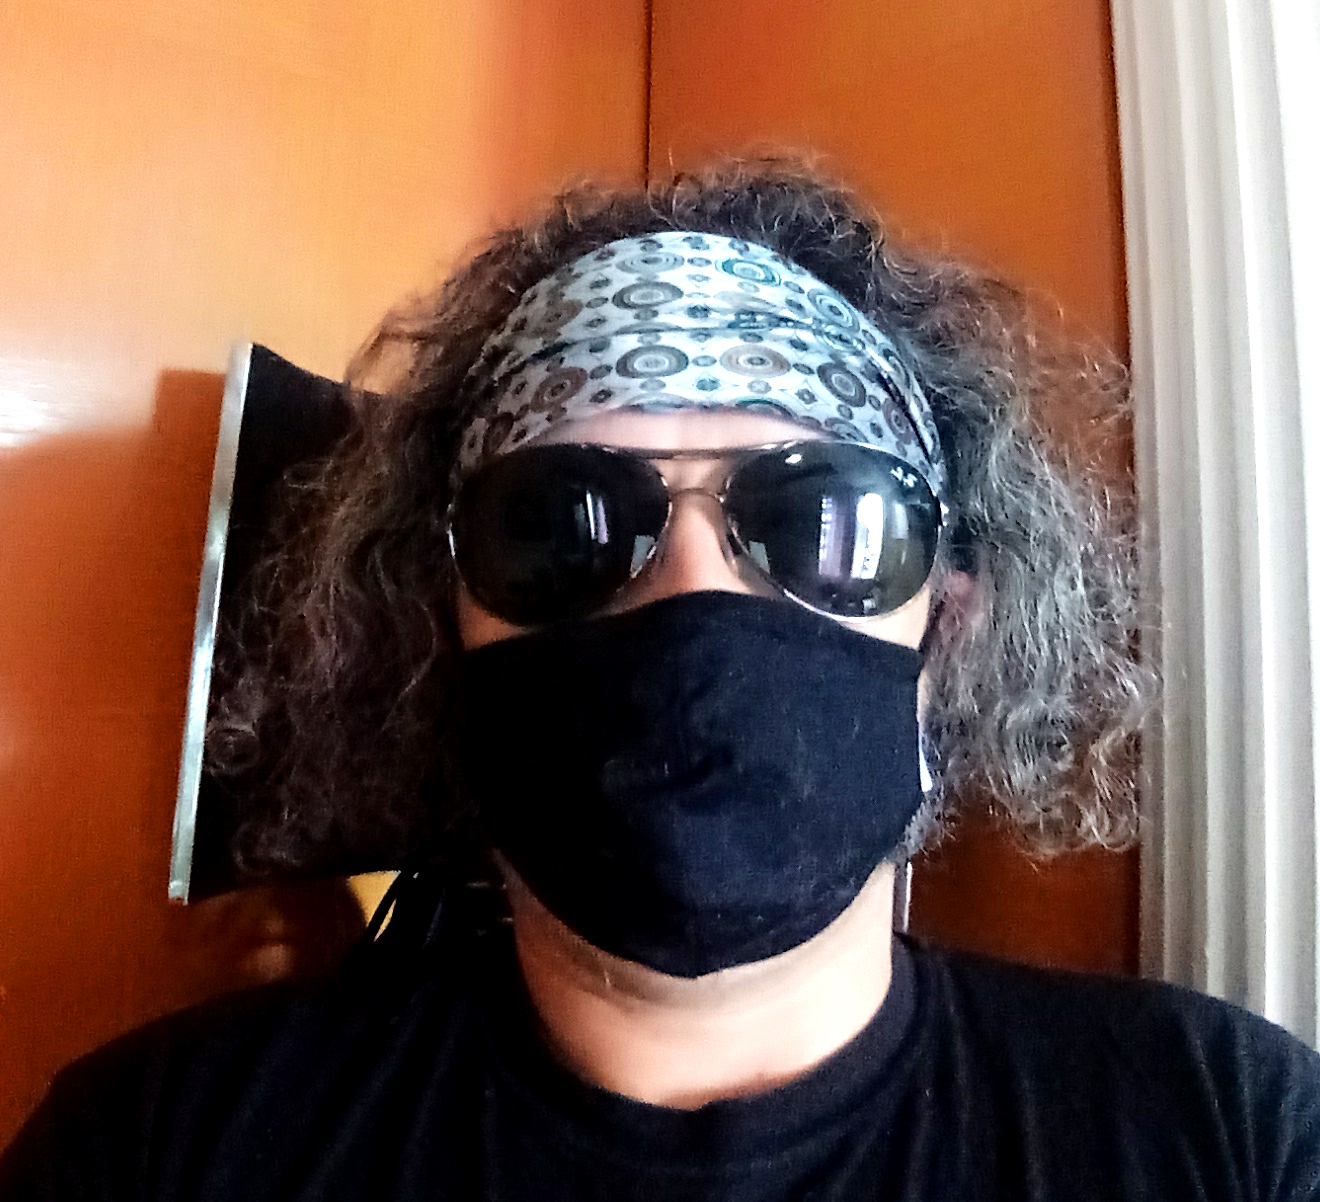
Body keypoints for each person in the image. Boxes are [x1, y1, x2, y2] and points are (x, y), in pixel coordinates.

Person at [3, 159, 1318, 1200]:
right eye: (557, 524)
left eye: (821, 522)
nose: (695, 598)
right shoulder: (150, 1151)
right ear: (440, 631)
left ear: (949, 633)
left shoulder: (1231, 1132)